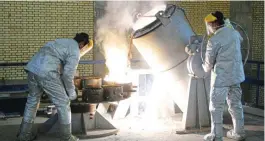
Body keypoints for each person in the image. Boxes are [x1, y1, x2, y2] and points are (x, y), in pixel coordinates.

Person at [16, 33, 93, 141]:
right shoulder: (75, 51)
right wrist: (72, 93)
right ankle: (66, 137)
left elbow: (57, 63)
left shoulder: (61, 42)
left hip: (32, 70)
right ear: (81, 44)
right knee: (64, 103)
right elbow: (67, 75)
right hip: (47, 73)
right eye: (83, 47)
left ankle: (24, 135)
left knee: (32, 102)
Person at [186, 11, 246, 141]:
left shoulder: (214, 40)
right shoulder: (235, 34)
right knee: (235, 105)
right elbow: (240, 40)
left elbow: (207, 66)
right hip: (236, 77)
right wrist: (230, 27)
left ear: (213, 23)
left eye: (208, 24)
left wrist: (195, 55)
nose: (208, 27)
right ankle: (239, 133)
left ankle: (216, 136)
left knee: (216, 107)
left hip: (221, 80)